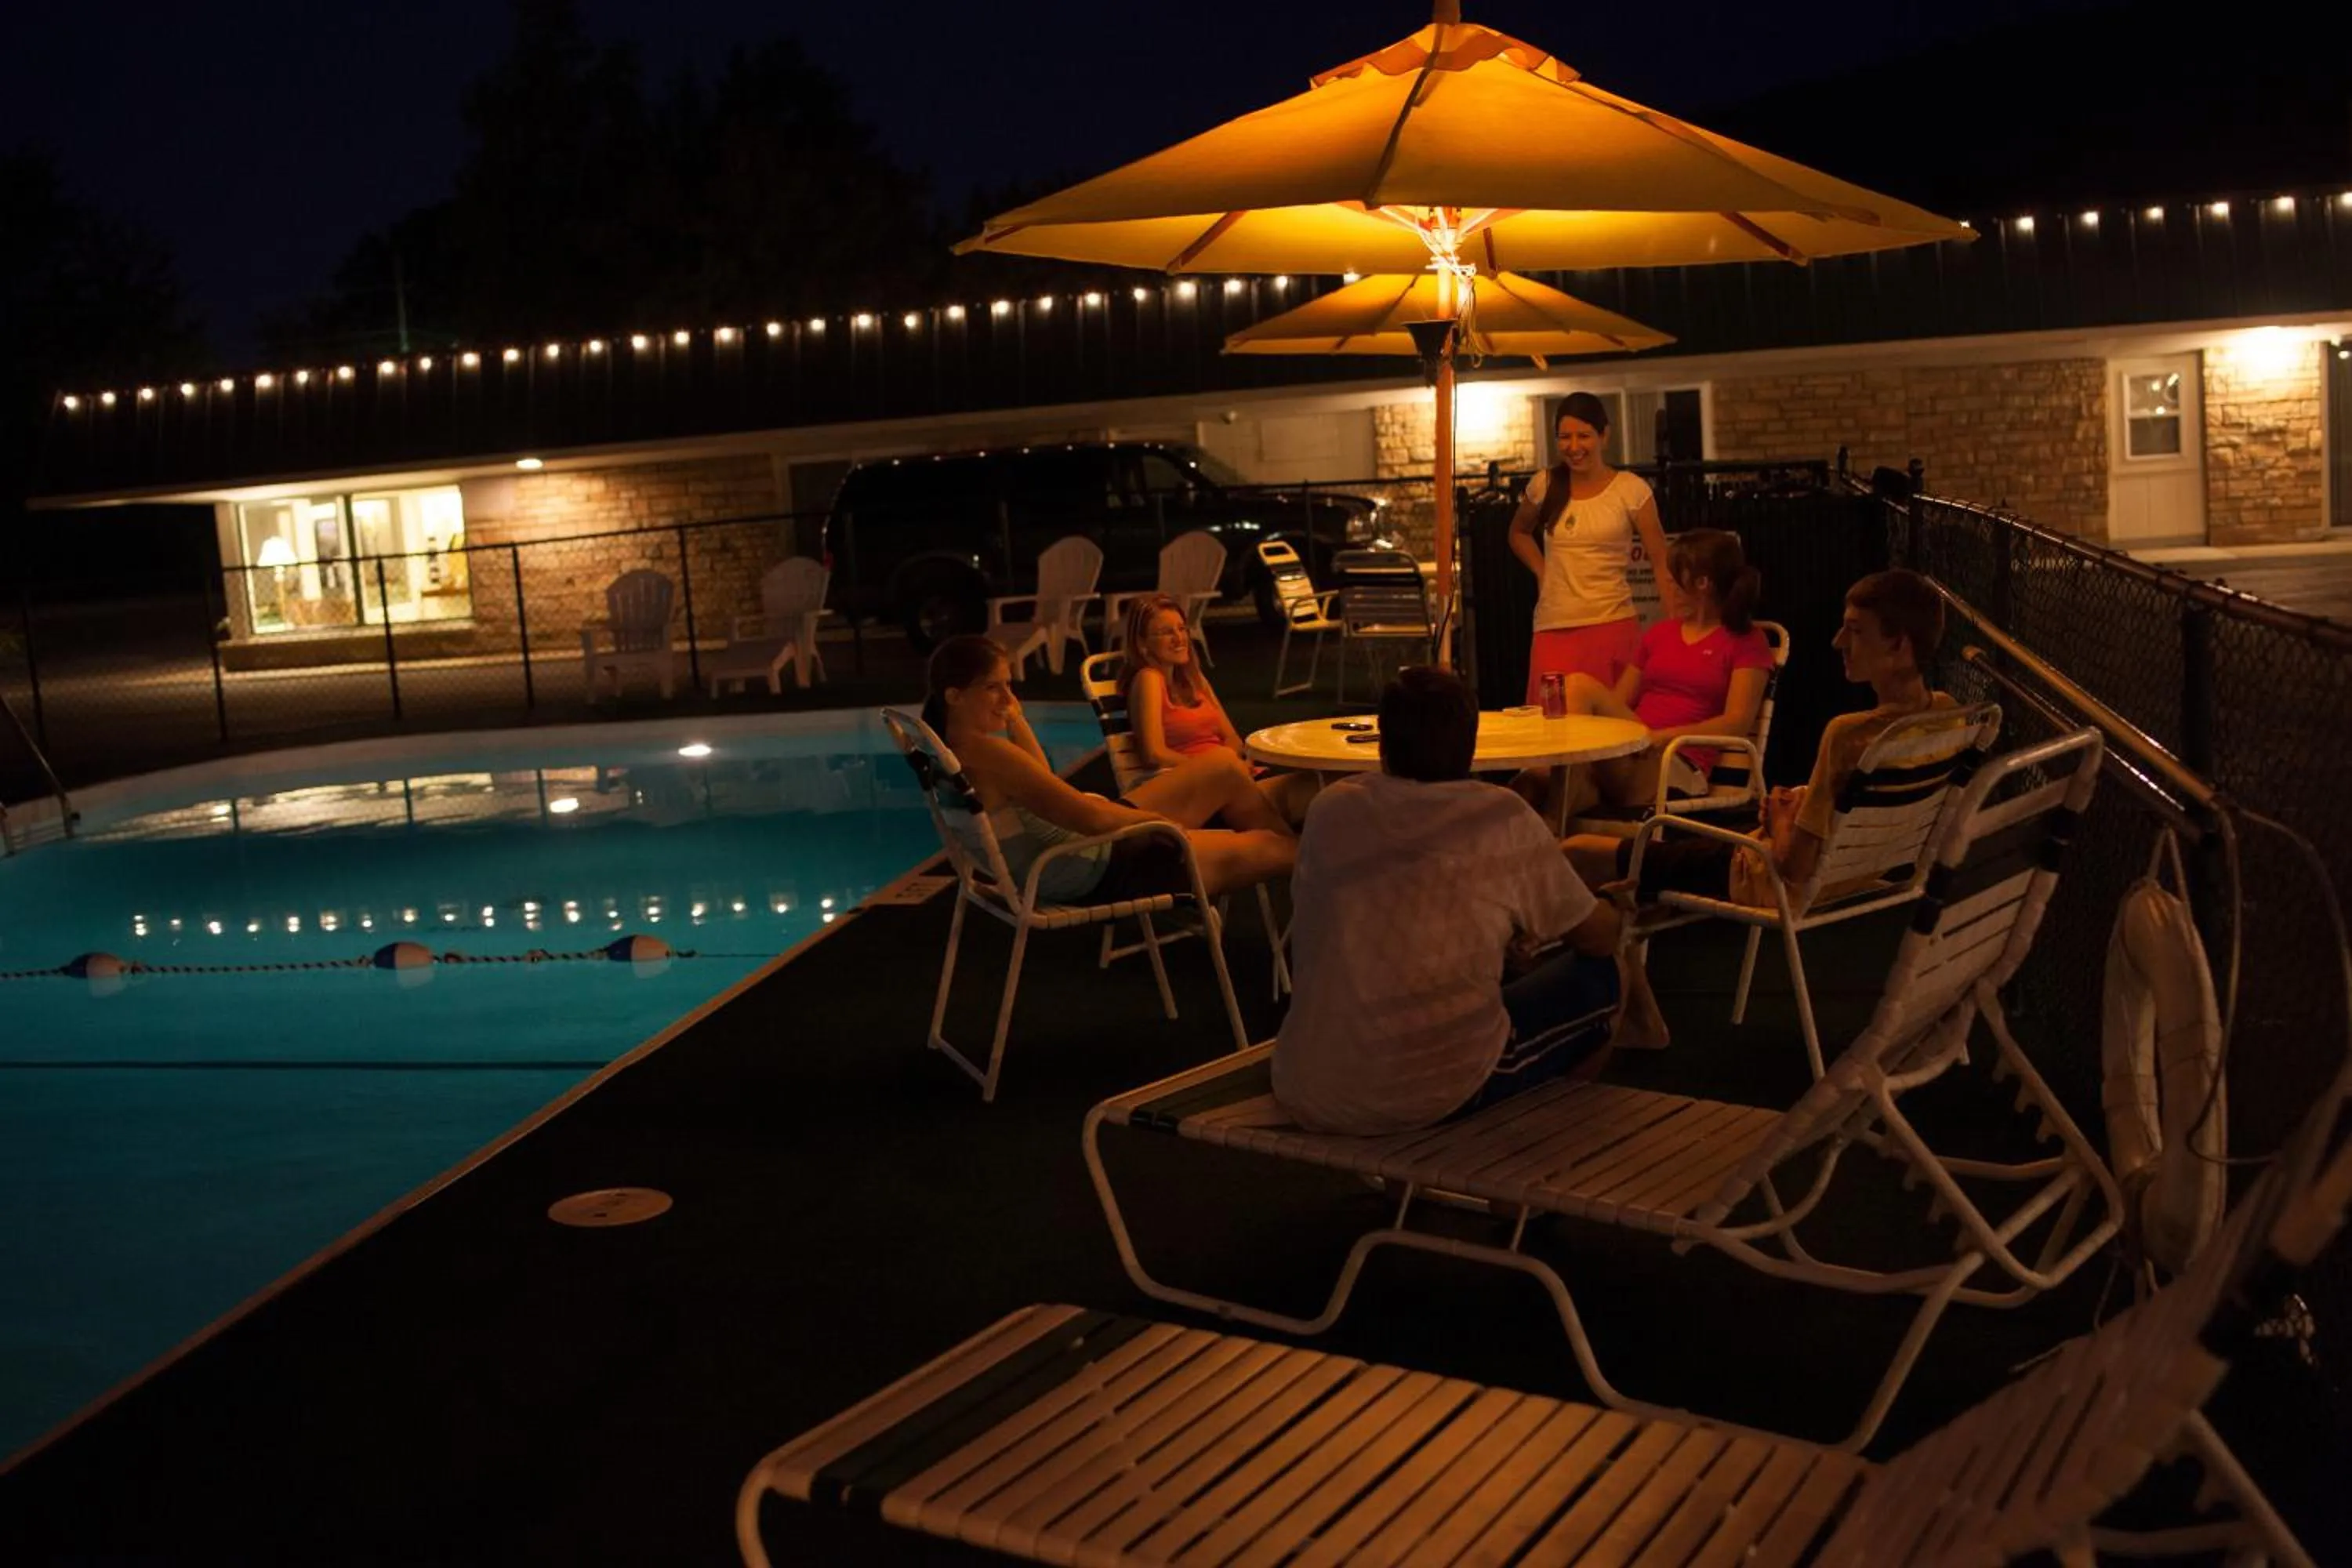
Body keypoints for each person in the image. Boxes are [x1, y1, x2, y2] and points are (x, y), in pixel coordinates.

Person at [1271, 666, 1668, 1138]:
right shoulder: (1497, 815)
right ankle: (1535, 1162)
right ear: (1471, 746)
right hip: (1431, 1090)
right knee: (1609, 977)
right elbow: (1599, 939)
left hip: (1306, 1081)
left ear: (1383, 744)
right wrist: (1611, 903)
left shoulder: (1330, 808)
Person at [1563, 566, 1964, 920]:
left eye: (1855, 631)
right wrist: (1804, 802)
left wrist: (1781, 822)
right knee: (1661, 853)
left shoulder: (1849, 734)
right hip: (1857, 875)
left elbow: (1793, 867)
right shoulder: (1949, 717)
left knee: (1579, 851)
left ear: (1900, 646)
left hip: (1764, 877)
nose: (1838, 641)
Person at [922, 635, 1295, 903]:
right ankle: (1304, 880)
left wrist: (1014, 717)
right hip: (1092, 867)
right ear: (955, 696)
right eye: (993, 687)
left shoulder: (951, 747)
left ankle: (1292, 870)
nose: (1008, 698)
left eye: (1009, 685)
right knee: (1280, 847)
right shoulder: (990, 755)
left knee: (1223, 766)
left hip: (1079, 850)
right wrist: (1163, 826)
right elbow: (1091, 819)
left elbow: (1042, 781)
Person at [1552, 529, 1774, 815]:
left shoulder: (1745, 640)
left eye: (1673, 579)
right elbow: (1616, 703)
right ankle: (1550, 825)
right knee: (1532, 784)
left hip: (1676, 763)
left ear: (1702, 583)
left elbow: (1737, 722)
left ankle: (1550, 829)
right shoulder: (1659, 635)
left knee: (1580, 687)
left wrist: (1661, 737)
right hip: (1633, 754)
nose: (1666, 585)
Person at [1508, 392, 1683, 702]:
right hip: (1554, 626)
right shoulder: (1545, 484)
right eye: (1565, 437)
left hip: (1612, 625)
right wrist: (1541, 570)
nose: (1574, 447)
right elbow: (1518, 532)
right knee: (1554, 725)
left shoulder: (1631, 490)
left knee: (1612, 731)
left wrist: (1672, 628)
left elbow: (1661, 561)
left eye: (1584, 436)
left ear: (1605, 435)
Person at [1119, 593, 1318, 826]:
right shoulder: (1149, 679)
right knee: (1310, 799)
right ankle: (1297, 857)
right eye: (1166, 632)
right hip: (1201, 792)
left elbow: (1232, 738)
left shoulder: (1194, 679)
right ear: (1142, 645)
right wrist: (1218, 768)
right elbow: (1154, 754)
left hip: (1235, 777)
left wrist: (1232, 766)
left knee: (1318, 787)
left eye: (1182, 629)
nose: (1179, 638)